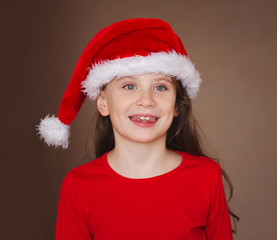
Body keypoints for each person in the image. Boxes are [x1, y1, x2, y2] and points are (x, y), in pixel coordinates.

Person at [37, 18, 238, 240]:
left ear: (177, 106)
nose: (146, 100)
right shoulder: (77, 186)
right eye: (129, 86)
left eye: (160, 87)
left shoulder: (206, 177)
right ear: (103, 102)